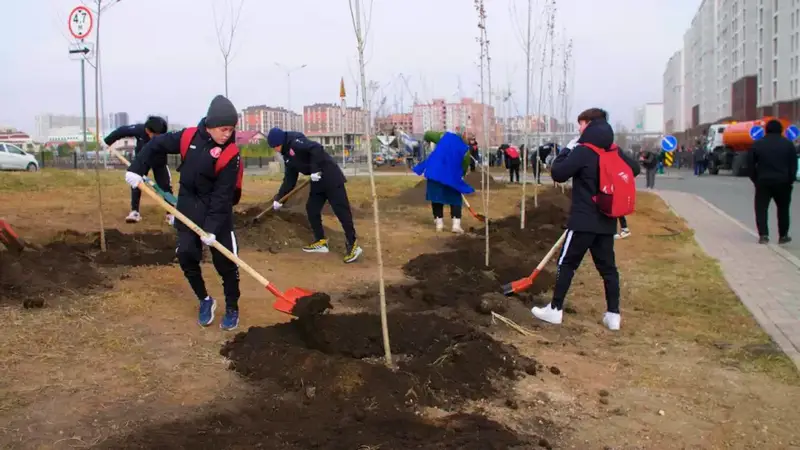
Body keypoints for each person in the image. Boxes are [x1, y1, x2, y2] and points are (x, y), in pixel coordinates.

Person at [124, 95, 244, 330]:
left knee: (226, 262)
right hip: (187, 207)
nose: (227, 134)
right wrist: (137, 169)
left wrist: (211, 228)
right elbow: (156, 144)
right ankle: (205, 300)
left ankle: (232, 307)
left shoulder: (231, 154)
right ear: (210, 125)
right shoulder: (188, 137)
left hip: (217, 212)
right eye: (223, 129)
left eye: (231, 130)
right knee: (186, 255)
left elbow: (222, 197)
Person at [530, 108, 641, 331]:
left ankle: (555, 309)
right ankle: (613, 315)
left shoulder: (584, 150)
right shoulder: (613, 150)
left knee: (566, 264)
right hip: (607, 221)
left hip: (583, 220)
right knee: (608, 269)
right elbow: (635, 169)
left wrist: (567, 150)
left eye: (581, 124)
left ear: (589, 124)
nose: (579, 128)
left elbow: (558, 173)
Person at [267, 126, 363, 263]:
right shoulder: (287, 156)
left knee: (341, 211)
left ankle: (353, 245)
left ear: (281, 142)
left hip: (330, 176)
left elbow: (316, 148)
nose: (275, 149)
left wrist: (315, 170)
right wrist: (280, 198)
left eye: (275, 146)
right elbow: (289, 179)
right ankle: (321, 242)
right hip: (317, 181)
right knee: (312, 209)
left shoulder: (295, 142)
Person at [104, 116, 172, 224]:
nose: (158, 138)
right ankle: (135, 212)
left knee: (165, 186)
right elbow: (121, 131)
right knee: (136, 183)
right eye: (155, 135)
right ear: (147, 130)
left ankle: (171, 214)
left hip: (159, 161)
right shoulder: (140, 129)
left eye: (160, 135)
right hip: (142, 160)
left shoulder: (166, 136)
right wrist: (107, 142)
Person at [746, 119, 798, 245]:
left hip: (763, 181)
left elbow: (750, 165)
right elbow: (793, 165)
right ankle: (783, 235)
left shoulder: (758, 144)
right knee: (783, 209)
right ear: (781, 130)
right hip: (783, 182)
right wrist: (790, 179)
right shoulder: (788, 144)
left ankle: (763, 235)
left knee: (761, 208)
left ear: (766, 130)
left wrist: (755, 179)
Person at [413, 131, 473, 233]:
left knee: (436, 198)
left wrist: (427, 141)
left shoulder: (443, 136)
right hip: (450, 177)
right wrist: (460, 177)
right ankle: (456, 225)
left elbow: (428, 134)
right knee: (455, 200)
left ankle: (439, 225)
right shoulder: (465, 150)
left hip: (434, 172)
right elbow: (464, 167)